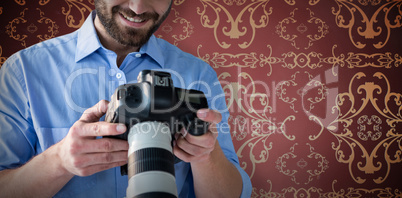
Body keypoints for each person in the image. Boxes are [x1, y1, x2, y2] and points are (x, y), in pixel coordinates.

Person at [0, 0, 252, 197]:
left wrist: (205, 155)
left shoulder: (198, 75)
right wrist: (59, 161)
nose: (138, 7)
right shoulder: (23, 71)